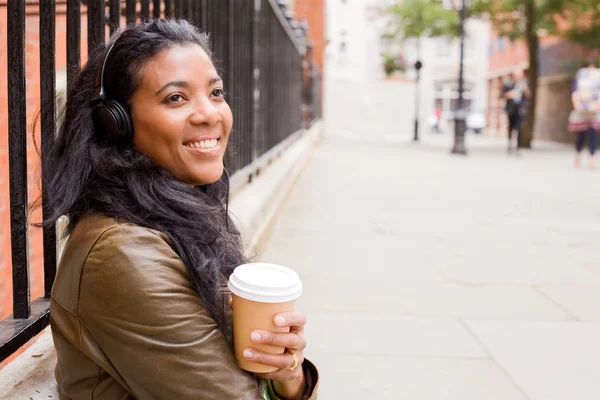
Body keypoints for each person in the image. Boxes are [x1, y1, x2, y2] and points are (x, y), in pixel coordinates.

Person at [42, 20, 318, 399]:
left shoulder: (172, 219)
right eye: (175, 98)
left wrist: (289, 374)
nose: (209, 114)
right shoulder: (123, 252)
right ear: (116, 123)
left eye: (216, 92)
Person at [568, 60, 599, 169]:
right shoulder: (579, 78)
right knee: (580, 136)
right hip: (581, 111)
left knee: (593, 135)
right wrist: (577, 105)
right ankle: (577, 156)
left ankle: (592, 159)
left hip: (594, 111)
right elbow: (575, 92)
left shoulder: (597, 79)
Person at [501, 70, 531, 154]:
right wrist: (510, 94)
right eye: (517, 75)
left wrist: (524, 88)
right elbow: (502, 95)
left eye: (520, 75)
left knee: (519, 128)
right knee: (511, 128)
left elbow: (528, 95)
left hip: (520, 109)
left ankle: (518, 147)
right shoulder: (508, 84)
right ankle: (510, 145)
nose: (519, 76)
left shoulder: (524, 84)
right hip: (511, 109)